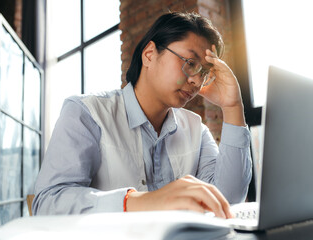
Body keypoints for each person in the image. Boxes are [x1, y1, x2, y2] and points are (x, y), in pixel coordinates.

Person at [33, 11, 252, 219]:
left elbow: (228, 201)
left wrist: (232, 107)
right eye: (190, 63)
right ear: (149, 55)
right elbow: (48, 203)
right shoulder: (86, 113)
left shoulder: (197, 130)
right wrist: (140, 201)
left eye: (204, 72)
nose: (196, 80)